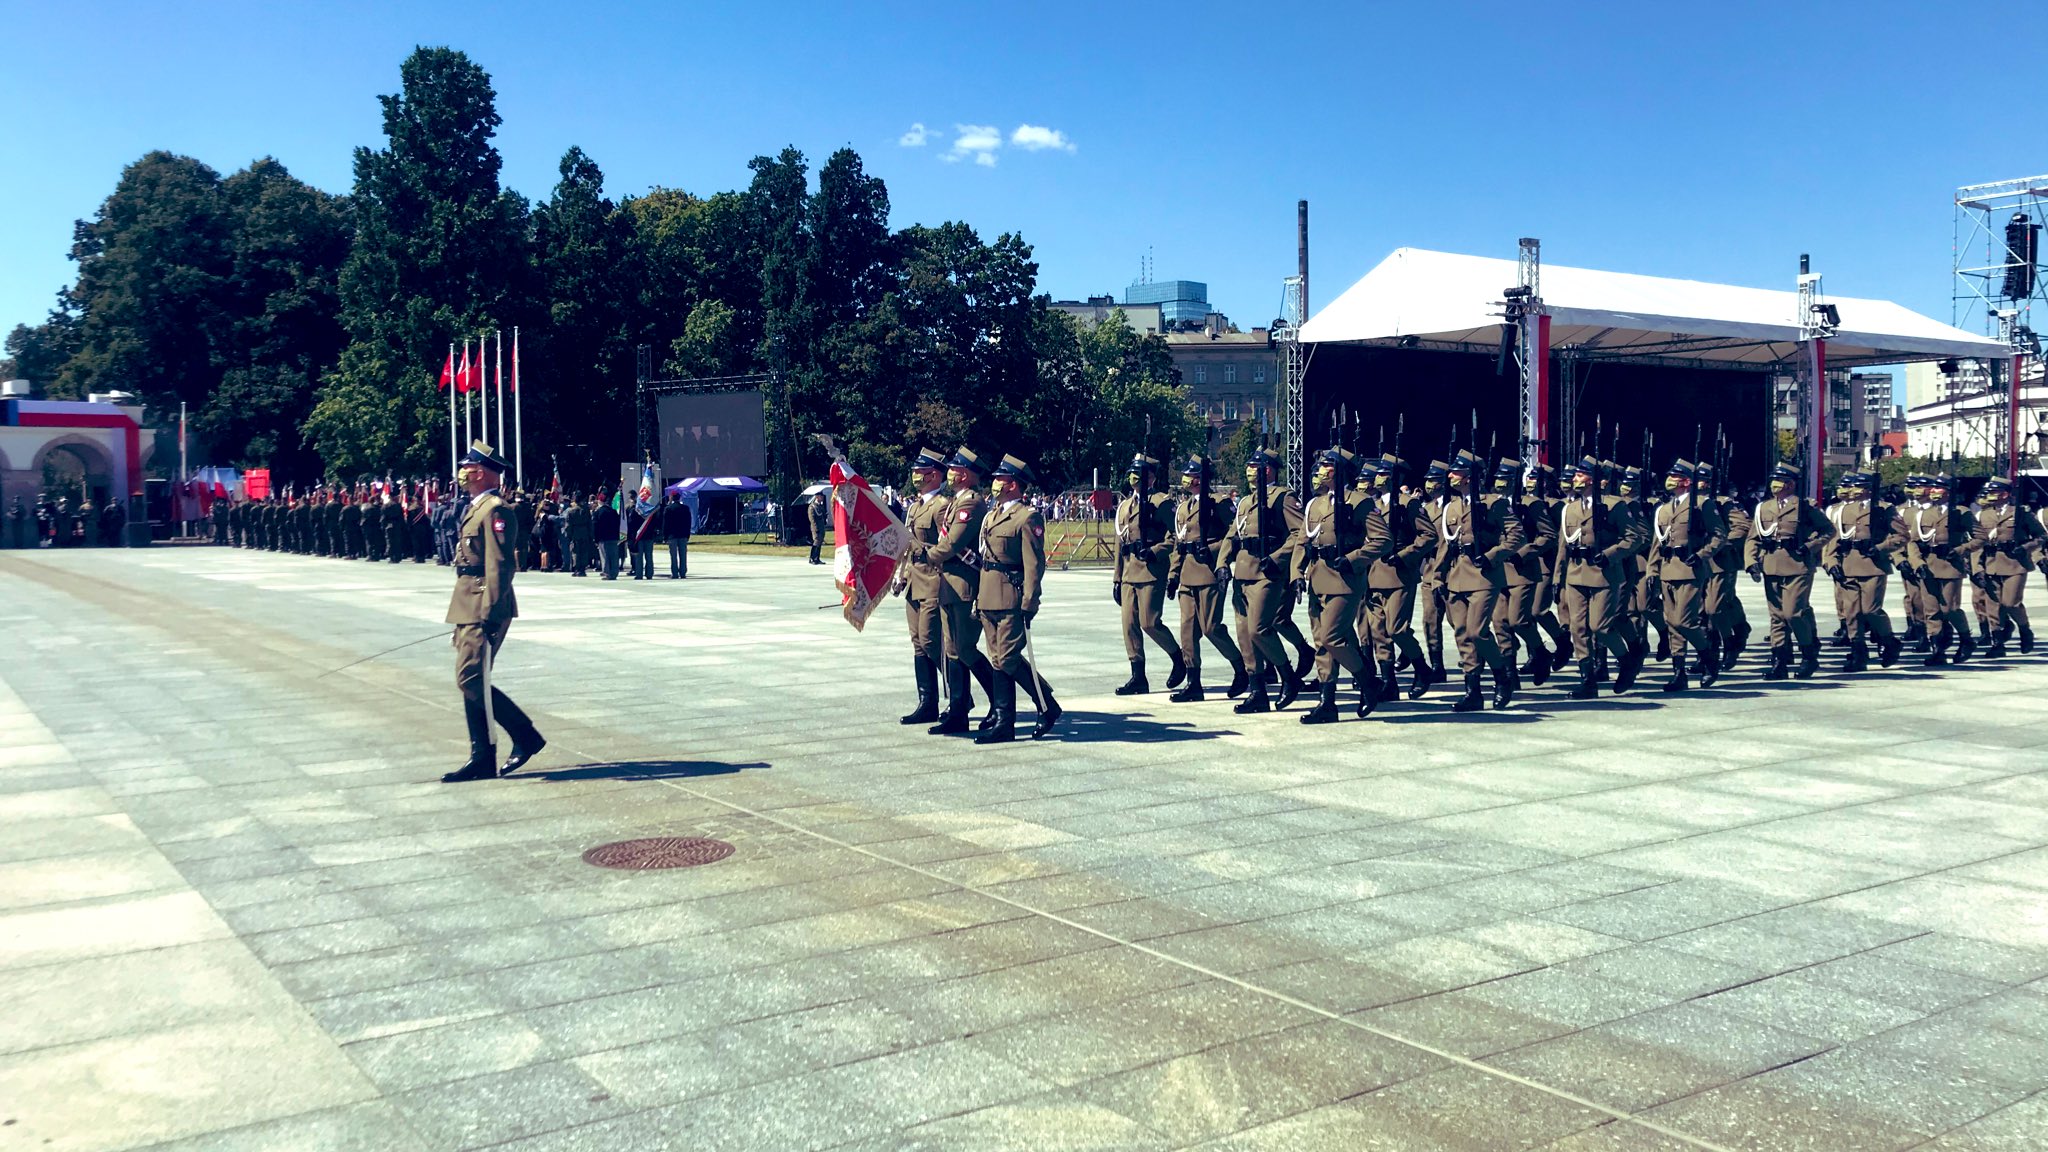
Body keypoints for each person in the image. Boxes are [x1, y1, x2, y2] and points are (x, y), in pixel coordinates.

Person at [442, 441, 546, 783]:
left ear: (482, 473)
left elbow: (500, 565)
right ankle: (484, 756)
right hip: (467, 601)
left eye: (468, 467)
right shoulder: (476, 507)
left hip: (484, 602)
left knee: (471, 677)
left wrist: (490, 612)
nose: (462, 473)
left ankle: (522, 737)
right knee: (472, 679)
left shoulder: (495, 510)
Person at [1294, 445, 1392, 722]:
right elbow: (1302, 541)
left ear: (1340, 471)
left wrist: (1353, 559)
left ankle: (1368, 681)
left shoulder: (1360, 502)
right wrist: (1296, 573)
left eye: (1327, 465)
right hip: (1317, 578)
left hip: (1344, 580)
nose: (1321, 470)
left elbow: (1383, 540)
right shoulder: (1315, 504)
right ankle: (1327, 702)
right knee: (1321, 643)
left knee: (1332, 637)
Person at [973, 454, 1059, 743]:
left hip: (1011, 596)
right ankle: (1004, 721)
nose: (995, 483)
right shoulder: (992, 515)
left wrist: (1030, 600)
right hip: (988, 596)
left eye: (1000, 479)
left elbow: (1034, 564)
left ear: (1012, 484)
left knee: (1008, 658)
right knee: (998, 659)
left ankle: (1045, 704)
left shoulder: (1027, 517)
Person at [1552, 456, 1648, 698]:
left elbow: (1634, 538)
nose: (1575, 478)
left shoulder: (1614, 506)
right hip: (1575, 574)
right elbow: (1563, 546)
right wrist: (1557, 578)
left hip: (1604, 574)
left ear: (1594, 480)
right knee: (1577, 628)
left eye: (1581, 474)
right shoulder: (1569, 509)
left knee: (1601, 626)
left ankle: (1627, 661)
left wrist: (1610, 554)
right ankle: (1588, 681)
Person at [1438, 450, 1525, 711]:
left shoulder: (1494, 503)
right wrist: (1438, 576)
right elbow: (1445, 545)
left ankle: (1502, 676)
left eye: (1457, 472)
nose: (1451, 477)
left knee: (1477, 631)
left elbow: (1517, 536)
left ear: (1470, 476)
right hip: (1456, 576)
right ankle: (1473, 692)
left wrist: (1492, 556)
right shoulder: (1451, 507)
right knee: (1462, 634)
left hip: (1484, 576)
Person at [1222, 448, 1306, 713]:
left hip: (1267, 573)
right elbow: (1233, 535)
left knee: (1259, 629)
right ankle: (1257, 691)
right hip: (1242, 574)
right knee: (1245, 635)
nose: (1248, 470)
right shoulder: (1246, 501)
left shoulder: (1283, 497)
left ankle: (1288, 676)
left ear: (1267, 469)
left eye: (1253, 466)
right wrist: (1222, 562)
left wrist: (1278, 558)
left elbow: (1299, 534)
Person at [926, 447, 998, 734]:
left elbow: (953, 543)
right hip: (949, 583)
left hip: (964, 584)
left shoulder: (972, 503)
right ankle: (958, 712)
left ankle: (1000, 703)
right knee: (953, 650)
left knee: (965, 648)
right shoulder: (957, 501)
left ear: (965, 474)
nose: (950, 473)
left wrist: (926, 555)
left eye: (954, 469)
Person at [1165, 454, 1247, 702]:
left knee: (1211, 628)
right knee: (1187, 631)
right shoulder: (1183, 507)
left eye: (1190, 475)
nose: (1185, 479)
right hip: (1187, 576)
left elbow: (1235, 535)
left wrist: (1212, 550)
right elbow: (1179, 544)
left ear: (1200, 479)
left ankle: (1241, 668)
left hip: (1209, 574)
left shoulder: (1219, 504)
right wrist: (1173, 575)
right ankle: (1193, 682)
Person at [1745, 461, 1834, 681]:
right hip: (1771, 564)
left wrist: (1809, 546)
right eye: (1773, 480)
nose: (1774, 485)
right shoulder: (1763, 507)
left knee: (1793, 613)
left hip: (1797, 565)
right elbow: (1753, 538)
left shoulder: (1805, 506)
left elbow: (1828, 531)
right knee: (1777, 616)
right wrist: (1751, 561)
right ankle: (1780, 662)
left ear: (1791, 484)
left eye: (1780, 481)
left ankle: (1808, 655)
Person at [1361, 455, 1437, 701]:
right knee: (1378, 631)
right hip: (1373, 575)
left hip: (1399, 574)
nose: (1378, 478)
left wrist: (1405, 555)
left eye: (1384, 474)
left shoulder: (1408, 504)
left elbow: (1429, 535)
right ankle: (1388, 682)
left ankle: (1421, 668)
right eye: (1378, 473)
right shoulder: (1371, 505)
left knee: (1397, 629)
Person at [1111, 453, 1184, 695]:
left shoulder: (1161, 503)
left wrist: (1155, 551)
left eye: (1139, 473)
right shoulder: (1125, 505)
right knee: (1129, 625)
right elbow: (1120, 542)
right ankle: (1138, 676)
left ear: (1151, 477)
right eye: (1132, 473)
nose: (1134, 478)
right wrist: (1116, 578)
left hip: (1151, 570)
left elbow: (1175, 537)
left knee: (1149, 623)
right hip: (1129, 572)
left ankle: (1178, 658)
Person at [1653, 460, 1726, 691]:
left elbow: (1719, 535)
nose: (1669, 480)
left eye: (1675, 476)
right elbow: (1657, 543)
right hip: (1667, 570)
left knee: (1683, 621)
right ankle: (1679, 672)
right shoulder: (1664, 509)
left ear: (1686, 481)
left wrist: (1702, 554)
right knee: (1672, 625)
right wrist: (1653, 570)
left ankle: (1709, 658)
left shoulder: (1702, 504)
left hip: (1690, 569)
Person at [1822, 471, 1903, 672]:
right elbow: (1833, 538)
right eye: (1852, 487)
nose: (1852, 490)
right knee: (1851, 612)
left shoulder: (1884, 509)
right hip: (1847, 564)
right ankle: (1858, 652)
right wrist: (1830, 561)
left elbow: (1902, 536)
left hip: (1873, 565)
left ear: (1869, 489)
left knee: (1871, 610)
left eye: (1858, 487)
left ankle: (1889, 641)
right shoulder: (1841, 510)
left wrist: (1881, 547)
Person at [897, 448, 951, 724]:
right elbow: (909, 545)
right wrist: (901, 574)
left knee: (931, 640)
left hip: (932, 580)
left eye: (920, 472)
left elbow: (948, 546)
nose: (915, 476)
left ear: (934, 475)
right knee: (918, 643)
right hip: (913, 580)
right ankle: (927, 703)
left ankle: (959, 695)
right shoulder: (915, 506)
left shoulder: (941, 506)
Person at [1903, 473, 1976, 666]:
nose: (1934, 491)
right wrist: (1917, 563)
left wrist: (1960, 549)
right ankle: (1938, 649)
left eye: (1938, 488)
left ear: (1949, 492)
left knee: (1949, 609)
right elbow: (1912, 542)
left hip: (1950, 566)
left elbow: (1980, 538)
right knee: (1931, 610)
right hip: (1927, 566)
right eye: (1933, 488)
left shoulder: (1961, 512)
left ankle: (1966, 639)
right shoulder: (1922, 514)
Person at [663, 493, 693, 579]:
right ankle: (683, 572)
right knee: (683, 555)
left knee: (673, 555)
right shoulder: (685, 508)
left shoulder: (668, 509)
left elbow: (666, 524)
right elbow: (688, 522)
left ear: (671, 498)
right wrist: (688, 534)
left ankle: (675, 573)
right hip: (683, 534)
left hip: (672, 535)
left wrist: (665, 536)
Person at [593, 494, 622, 580]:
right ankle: (614, 573)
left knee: (605, 556)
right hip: (613, 537)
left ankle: (607, 573)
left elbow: (596, 526)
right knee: (614, 556)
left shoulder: (598, 512)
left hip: (603, 538)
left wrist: (596, 539)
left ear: (600, 501)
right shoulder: (613, 512)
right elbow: (618, 524)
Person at [564, 493, 593, 576]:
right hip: (584, 532)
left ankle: (577, 568)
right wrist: (591, 534)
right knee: (584, 551)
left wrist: (568, 534)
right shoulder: (586, 510)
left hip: (575, 533)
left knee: (575, 551)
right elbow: (590, 523)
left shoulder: (571, 511)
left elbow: (568, 525)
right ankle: (582, 569)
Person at [808, 487, 831, 564]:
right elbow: (812, 519)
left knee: (820, 542)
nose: (822, 498)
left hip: (821, 527)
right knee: (816, 542)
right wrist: (816, 528)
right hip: (816, 527)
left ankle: (817, 558)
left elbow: (823, 515)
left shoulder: (820, 506)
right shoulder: (812, 507)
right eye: (821, 496)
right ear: (817, 497)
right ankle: (812, 558)